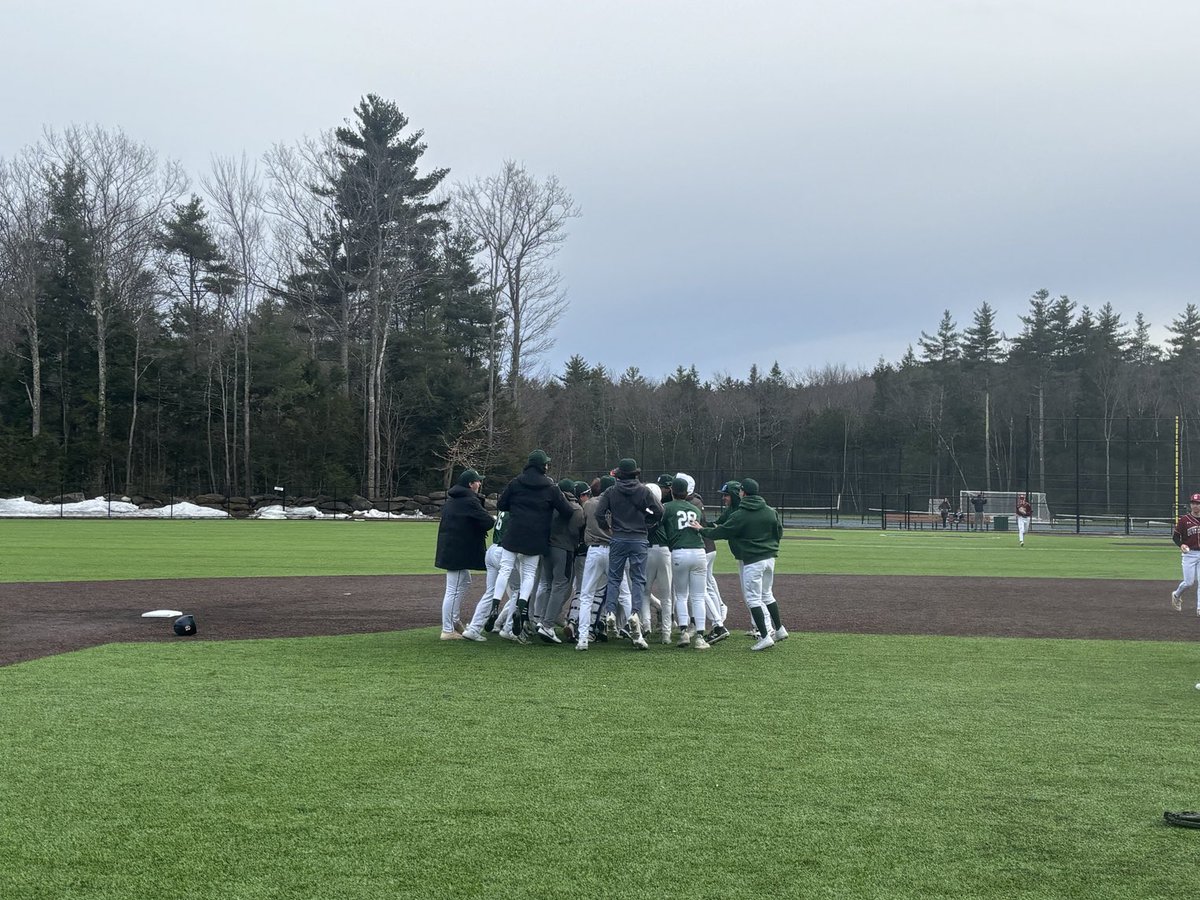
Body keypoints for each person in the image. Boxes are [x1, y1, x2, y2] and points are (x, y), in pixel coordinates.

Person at [694, 478, 787, 651]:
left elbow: (721, 531)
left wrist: (701, 529)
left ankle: (765, 636)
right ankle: (780, 629)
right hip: (770, 558)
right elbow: (779, 531)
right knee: (767, 595)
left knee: (753, 599)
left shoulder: (740, 514)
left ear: (742, 492)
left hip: (752, 560)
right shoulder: (770, 511)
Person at [493, 449, 575, 644]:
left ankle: (495, 604)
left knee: (505, 569)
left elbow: (501, 504)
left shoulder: (516, 482)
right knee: (529, 574)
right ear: (542, 466)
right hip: (536, 537)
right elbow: (567, 511)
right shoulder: (550, 486)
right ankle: (523, 605)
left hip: (514, 533)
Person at [594, 457, 664, 651]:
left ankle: (610, 613)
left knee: (614, 578)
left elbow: (599, 513)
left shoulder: (611, 491)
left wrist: (607, 528)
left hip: (618, 537)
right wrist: (648, 524)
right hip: (639, 538)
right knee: (638, 580)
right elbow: (659, 511)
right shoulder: (644, 491)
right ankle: (634, 614)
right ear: (635, 474)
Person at [433, 469, 495, 640]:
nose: (479, 484)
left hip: (452, 548)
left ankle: (453, 621)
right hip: (458, 551)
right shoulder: (469, 501)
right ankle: (447, 629)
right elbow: (488, 522)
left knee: (464, 582)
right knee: (453, 589)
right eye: (477, 481)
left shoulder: (453, 500)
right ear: (470, 484)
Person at [532, 478, 586, 644]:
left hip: (546, 548)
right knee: (560, 585)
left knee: (548, 584)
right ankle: (548, 625)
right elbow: (576, 531)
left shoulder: (549, 505)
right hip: (564, 549)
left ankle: (541, 620)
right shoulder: (576, 508)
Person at [662, 477, 710, 649]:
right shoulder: (694, 509)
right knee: (698, 597)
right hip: (699, 552)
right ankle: (699, 637)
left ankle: (683, 633)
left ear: (672, 491)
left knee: (681, 595)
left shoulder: (667, 507)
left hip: (679, 552)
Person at [647, 473, 676, 643]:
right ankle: (666, 634)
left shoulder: (641, 508)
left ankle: (646, 627)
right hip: (665, 551)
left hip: (648, 551)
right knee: (667, 595)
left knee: (642, 592)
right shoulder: (668, 508)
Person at [1170, 492, 1200, 613]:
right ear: (1190, 505)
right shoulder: (1184, 520)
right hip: (1189, 554)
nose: (1195, 506)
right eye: (1193, 503)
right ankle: (1176, 595)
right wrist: (1181, 544)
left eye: (1198, 503)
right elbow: (1175, 537)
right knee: (1188, 582)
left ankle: (1199, 608)